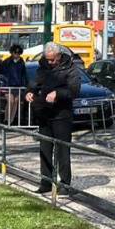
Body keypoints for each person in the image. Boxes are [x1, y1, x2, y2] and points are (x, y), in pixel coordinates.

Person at [29, 44, 81, 193]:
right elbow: (36, 82)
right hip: (44, 113)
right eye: (48, 60)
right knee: (45, 149)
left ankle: (65, 184)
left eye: (52, 60)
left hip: (62, 115)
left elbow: (74, 90)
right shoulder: (43, 66)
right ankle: (45, 182)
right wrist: (30, 91)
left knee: (62, 151)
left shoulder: (70, 68)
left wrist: (57, 93)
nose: (50, 62)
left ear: (59, 56)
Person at [0, 43, 30, 126]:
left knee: (15, 102)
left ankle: (11, 121)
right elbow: (2, 73)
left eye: (18, 53)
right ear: (12, 53)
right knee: (10, 101)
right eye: (15, 53)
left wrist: (25, 85)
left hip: (18, 85)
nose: (17, 54)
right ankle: (6, 119)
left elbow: (24, 74)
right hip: (8, 85)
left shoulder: (21, 62)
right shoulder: (7, 62)